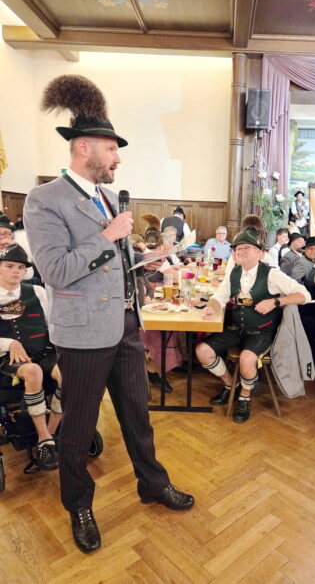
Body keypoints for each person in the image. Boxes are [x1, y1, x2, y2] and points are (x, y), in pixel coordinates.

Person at [23, 75, 193, 554]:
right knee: (78, 428)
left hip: (126, 326)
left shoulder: (105, 197)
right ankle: (78, 505)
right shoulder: (45, 199)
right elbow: (55, 271)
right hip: (82, 334)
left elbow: (111, 261)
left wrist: (145, 258)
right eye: (112, 149)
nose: (118, 158)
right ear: (83, 148)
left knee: (138, 415)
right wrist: (107, 237)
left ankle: (153, 484)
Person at [195, 230, 310, 423]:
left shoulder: (272, 274)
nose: (240, 251)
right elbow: (219, 297)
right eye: (237, 249)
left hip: (261, 330)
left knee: (247, 359)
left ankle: (245, 396)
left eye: (246, 248)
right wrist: (210, 308)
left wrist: (276, 302)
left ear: (259, 252)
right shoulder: (234, 272)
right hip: (236, 328)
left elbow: (304, 295)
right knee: (202, 351)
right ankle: (230, 384)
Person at [0, 243, 62, 471]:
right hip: (7, 359)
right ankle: (45, 438)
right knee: (33, 371)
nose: (16, 271)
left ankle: (48, 439)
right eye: (10, 266)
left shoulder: (37, 292)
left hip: (43, 352)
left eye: (21, 267)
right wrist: (10, 343)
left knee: (69, 375)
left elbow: (51, 324)